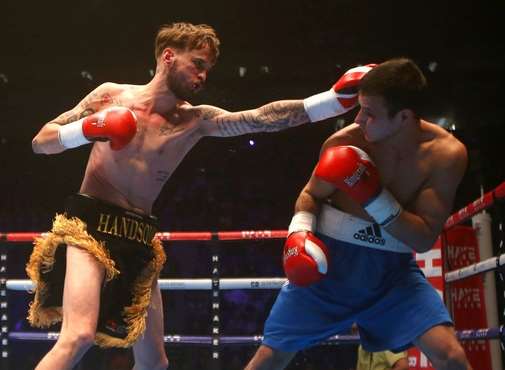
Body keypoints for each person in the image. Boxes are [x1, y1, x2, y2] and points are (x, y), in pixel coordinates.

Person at [28, 22, 374, 370]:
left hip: (139, 239)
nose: (203, 75)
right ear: (168, 57)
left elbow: (261, 118)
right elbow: (41, 141)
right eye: (197, 63)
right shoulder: (110, 96)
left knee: (154, 364)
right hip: (90, 227)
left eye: (207, 68)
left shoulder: (195, 120)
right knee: (78, 336)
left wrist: (330, 102)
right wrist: (87, 129)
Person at [245, 58, 472, 370]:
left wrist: (373, 196)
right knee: (269, 360)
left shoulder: (446, 155)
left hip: (391, 275)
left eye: (370, 112)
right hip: (330, 270)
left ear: (403, 117)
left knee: (452, 356)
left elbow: (423, 237)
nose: (359, 118)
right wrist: (300, 231)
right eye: (360, 108)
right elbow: (310, 194)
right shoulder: (344, 142)